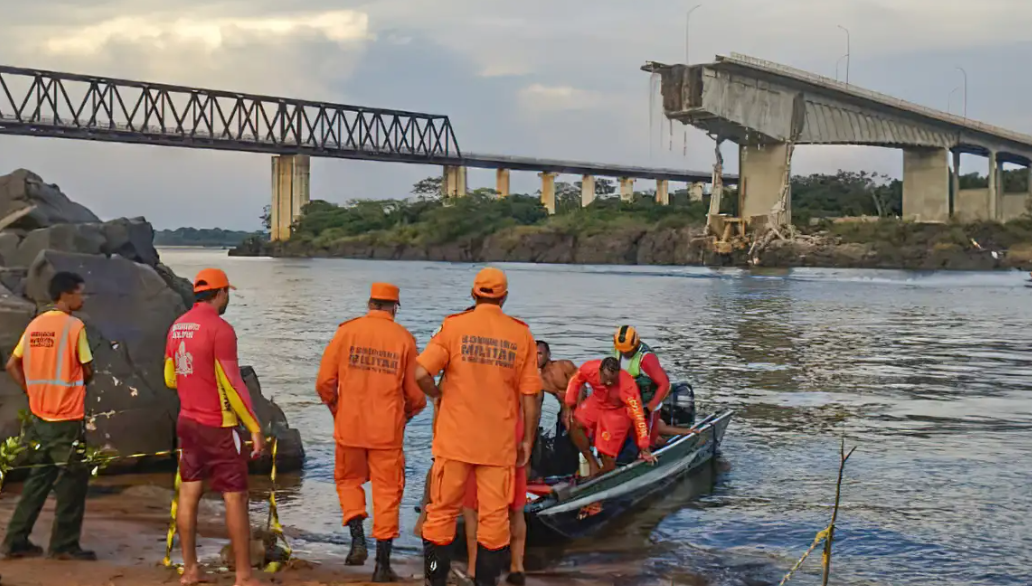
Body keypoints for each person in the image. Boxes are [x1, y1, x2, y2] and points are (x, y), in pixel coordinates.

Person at [415, 267, 541, 586]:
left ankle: (435, 580)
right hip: (498, 445)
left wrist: (437, 395)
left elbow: (420, 373)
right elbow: (530, 396)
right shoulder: (521, 335)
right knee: (494, 520)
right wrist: (527, 440)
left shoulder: (453, 327)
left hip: (454, 441)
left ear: (473, 293)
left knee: (441, 514)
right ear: (504, 297)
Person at [315, 282, 426, 582]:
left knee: (348, 481)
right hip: (386, 432)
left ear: (369, 303)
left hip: (349, 426)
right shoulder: (404, 339)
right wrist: (405, 415)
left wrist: (337, 409)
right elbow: (416, 395)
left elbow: (324, 382)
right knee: (387, 494)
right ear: (395, 308)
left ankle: (357, 539)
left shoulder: (346, 332)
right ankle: (382, 566)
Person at [163, 268, 265, 586]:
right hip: (218, 425)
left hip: (187, 422)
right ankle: (244, 575)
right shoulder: (220, 329)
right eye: (227, 293)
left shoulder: (177, 326)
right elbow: (233, 384)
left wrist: (195, 381)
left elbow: (170, 377)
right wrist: (254, 427)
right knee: (235, 497)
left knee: (189, 492)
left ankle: (190, 570)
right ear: (221, 294)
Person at [2, 271, 96, 561]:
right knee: (72, 481)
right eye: (80, 292)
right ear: (66, 294)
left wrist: (31, 391)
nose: (83, 298)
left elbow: (12, 365)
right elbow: (87, 369)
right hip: (66, 417)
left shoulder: (35, 325)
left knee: (38, 479)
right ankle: (64, 545)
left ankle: (15, 539)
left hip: (40, 415)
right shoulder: (74, 327)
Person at [460, 408, 527, 585]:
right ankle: (517, 566)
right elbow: (530, 403)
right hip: (511, 433)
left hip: (475, 437)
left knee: (472, 510)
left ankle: (473, 568)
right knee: (515, 509)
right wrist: (528, 439)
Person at [563, 357, 655, 477]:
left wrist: (644, 446)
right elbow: (575, 380)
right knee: (575, 423)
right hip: (597, 401)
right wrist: (569, 404)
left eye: (612, 379)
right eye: (606, 378)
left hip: (616, 410)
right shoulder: (589, 368)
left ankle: (602, 476)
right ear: (600, 371)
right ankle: (591, 462)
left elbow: (638, 416)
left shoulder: (627, 386)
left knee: (607, 454)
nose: (609, 383)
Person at [612, 326, 693, 444]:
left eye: (628, 351)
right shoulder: (618, 350)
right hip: (631, 399)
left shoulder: (647, 359)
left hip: (648, 400)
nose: (624, 353)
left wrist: (649, 408)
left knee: (648, 438)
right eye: (622, 350)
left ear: (636, 344)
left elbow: (664, 385)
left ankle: (660, 438)